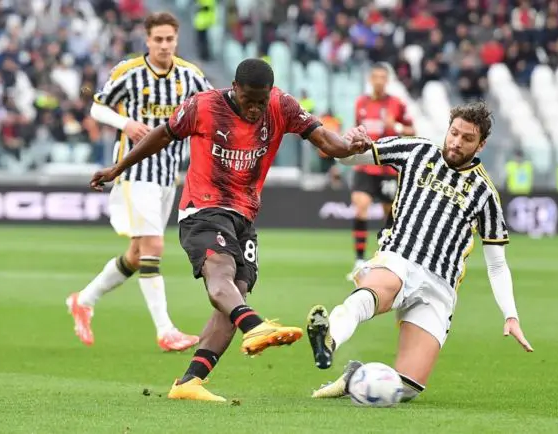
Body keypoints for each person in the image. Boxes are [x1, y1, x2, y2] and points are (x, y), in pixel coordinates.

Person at [90, 58, 370, 402]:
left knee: (236, 293)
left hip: (244, 216)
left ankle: (189, 383)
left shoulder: (282, 105)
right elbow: (161, 135)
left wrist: (354, 145)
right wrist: (118, 167)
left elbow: (329, 143)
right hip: (203, 208)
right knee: (220, 271)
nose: (255, 108)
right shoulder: (202, 106)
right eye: (248, 100)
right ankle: (254, 326)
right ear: (234, 88)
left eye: (260, 101)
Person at [306, 101, 533, 402]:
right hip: (400, 257)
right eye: (454, 133)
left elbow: (497, 265)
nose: (456, 142)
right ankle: (328, 338)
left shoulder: (485, 193)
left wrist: (511, 315)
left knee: (406, 388)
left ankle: (354, 379)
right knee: (372, 295)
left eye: (467, 138)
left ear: (481, 144)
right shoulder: (416, 150)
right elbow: (352, 158)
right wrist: (352, 144)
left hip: (440, 286)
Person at [65, 12, 214, 351]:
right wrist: (126, 123)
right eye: (158, 39)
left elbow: (213, 106)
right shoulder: (128, 72)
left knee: (136, 255)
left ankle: (83, 300)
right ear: (147, 40)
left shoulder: (190, 76)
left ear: (176, 40)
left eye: (169, 39)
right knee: (154, 248)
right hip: (135, 173)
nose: (164, 45)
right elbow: (97, 107)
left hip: (167, 176)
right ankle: (166, 330)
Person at [348, 62, 415, 281]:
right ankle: (359, 260)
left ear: (387, 80)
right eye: (375, 77)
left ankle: (389, 258)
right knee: (360, 207)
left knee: (390, 214)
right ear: (370, 79)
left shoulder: (397, 104)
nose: (378, 81)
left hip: (387, 167)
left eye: (382, 77)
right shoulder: (361, 103)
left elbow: (412, 131)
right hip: (365, 165)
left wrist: (394, 126)